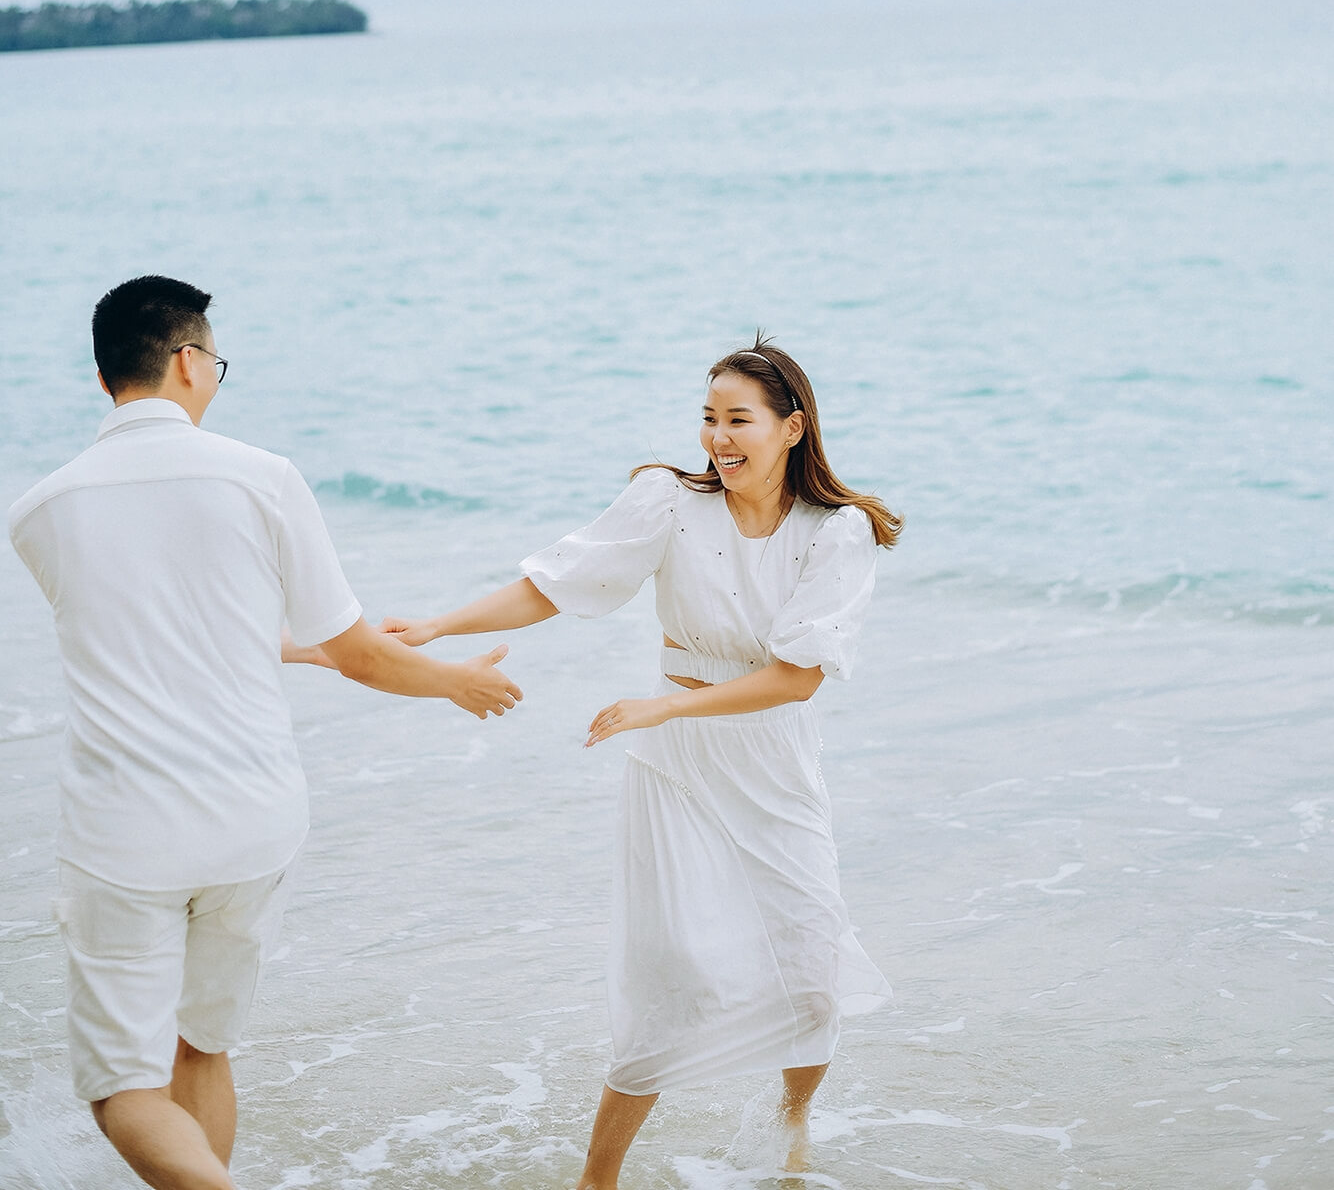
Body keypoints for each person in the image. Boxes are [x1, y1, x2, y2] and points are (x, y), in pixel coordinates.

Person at [7, 275, 522, 1190]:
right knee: (202, 1047)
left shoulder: (40, 509)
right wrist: (451, 684)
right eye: (216, 362)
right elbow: (359, 650)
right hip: (253, 819)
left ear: (103, 379)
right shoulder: (263, 477)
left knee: (123, 1089)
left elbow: (148, 638)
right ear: (190, 362)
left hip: (125, 832)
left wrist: (315, 656)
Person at [378, 338, 899, 1188]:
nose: (718, 439)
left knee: (811, 964)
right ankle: (598, 1177)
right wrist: (438, 628)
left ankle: (790, 1135)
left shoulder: (836, 533)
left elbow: (797, 678)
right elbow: (554, 584)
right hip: (676, 768)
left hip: (768, 758)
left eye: (739, 421)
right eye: (708, 418)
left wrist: (663, 704)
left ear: (792, 428)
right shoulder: (669, 501)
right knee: (670, 973)